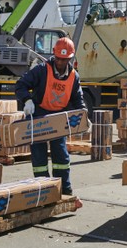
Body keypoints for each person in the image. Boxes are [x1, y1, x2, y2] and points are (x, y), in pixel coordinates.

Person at [15, 36, 86, 196]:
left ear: (71, 58)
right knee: (39, 157)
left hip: (58, 117)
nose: (61, 63)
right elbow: (21, 85)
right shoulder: (41, 70)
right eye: (59, 59)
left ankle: (64, 188)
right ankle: (44, 189)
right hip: (38, 114)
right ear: (54, 55)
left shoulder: (74, 76)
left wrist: (83, 115)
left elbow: (77, 98)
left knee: (61, 154)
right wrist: (27, 100)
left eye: (65, 59)